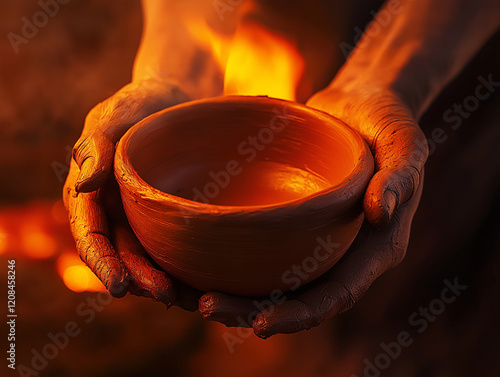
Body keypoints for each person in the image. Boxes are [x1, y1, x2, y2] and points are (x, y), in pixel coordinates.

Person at [63, 0, 500, 338]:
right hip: (237, 23)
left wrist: (390, 79)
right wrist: (181, 66)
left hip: (445, 56)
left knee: (422, 317)